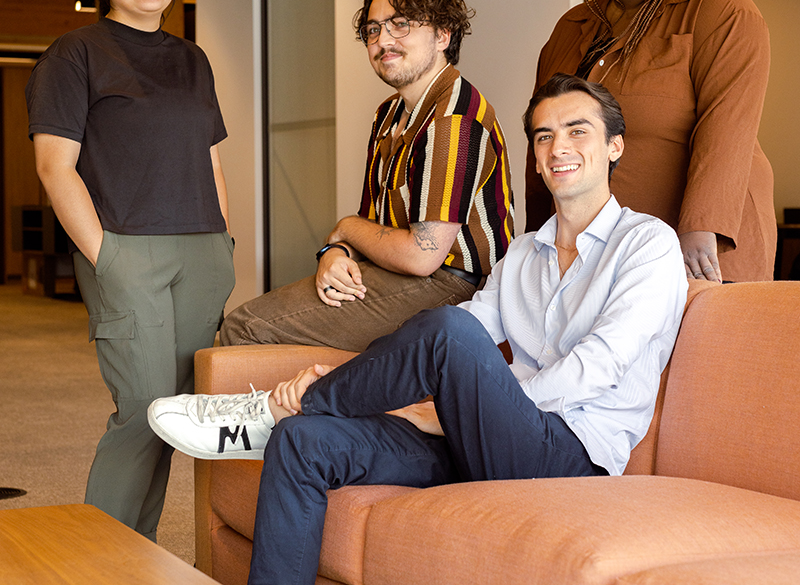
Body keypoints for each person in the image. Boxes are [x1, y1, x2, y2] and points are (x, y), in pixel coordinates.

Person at [148, 73, 688, 585]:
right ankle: (288, 419)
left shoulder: (648, 244)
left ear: (615, 146)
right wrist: (448, 407)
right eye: (544, 136)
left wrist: (469, 405)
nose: (558, 147)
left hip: (572, 460)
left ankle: (282, 405)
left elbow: (599, 365)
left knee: (448, 331)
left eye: (578, 131)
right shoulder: (524, 252)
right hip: (482, 441)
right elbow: (472, 326)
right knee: (301, 441)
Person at [25, 0, 235, 539]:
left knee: (174, 416)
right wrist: (105, 255)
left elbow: (211, 159)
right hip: (126, 248)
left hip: (201, 253)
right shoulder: (75, 54)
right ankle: (95, 561)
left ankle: (132, 555)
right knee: (142, 409)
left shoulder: (194, 59)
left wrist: (223, 242)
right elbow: (54, 166)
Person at [219, 0, 514, 356]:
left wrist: (343, 229)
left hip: (455, 286)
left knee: (247, 328)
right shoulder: (389, 114)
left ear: (443, 35)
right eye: (373, 30)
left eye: (401, 25)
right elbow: (372, 224)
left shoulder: (452, 121)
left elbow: (422, 256)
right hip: (396, 273)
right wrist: (335, 253)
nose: (383, 40)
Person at [526, 0, 775, 283]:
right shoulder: (571, 27)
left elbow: (728, 127)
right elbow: (543, 138)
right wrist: (538, 237)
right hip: (598, 257)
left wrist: (700, 228)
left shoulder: (718, 6)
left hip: (698, 253)